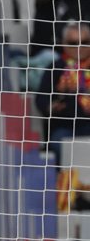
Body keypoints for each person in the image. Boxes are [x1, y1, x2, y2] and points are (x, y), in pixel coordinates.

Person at [35, 21, 90, 164]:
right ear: (64, 44)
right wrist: (51, 107)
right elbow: (41, 99)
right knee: (59, 144)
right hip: (63, 128)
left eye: (84, 42)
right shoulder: (55, 68)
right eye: (73, 42)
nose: (79, 47)